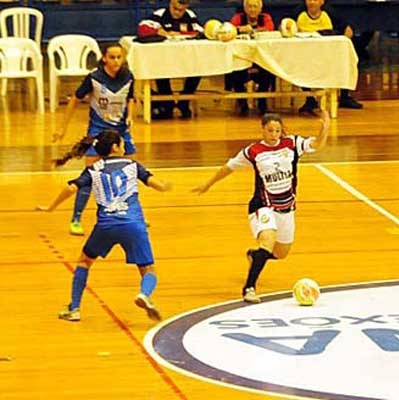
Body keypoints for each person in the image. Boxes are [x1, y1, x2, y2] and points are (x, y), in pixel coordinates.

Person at [192, 110, 330, 303]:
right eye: (270, 130)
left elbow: (316, 144)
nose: (274, 135)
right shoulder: (253, 151)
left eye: (277, 131)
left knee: (281, 253)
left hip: (287, 207)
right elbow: (228, 167)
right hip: (263, 205)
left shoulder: (292, 144)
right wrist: (208, 184)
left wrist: (325, 127)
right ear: (263, 130)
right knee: (267, 242)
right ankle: (249, 288)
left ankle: (255, 256)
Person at [37, 130, 172, 322]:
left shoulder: (93, 169)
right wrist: (165, 186)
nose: (124, 145)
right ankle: (144, 294)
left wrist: (51, 207)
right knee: (148, 269)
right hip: (133, 224)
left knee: (84, 261)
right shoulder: (132, 165)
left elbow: (71, 187)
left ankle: (74, 308)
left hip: (106, 225)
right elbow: (153, 183)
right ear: (115, 147)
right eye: (122, 143)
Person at [53, 42, 136, 236]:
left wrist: (131, 115)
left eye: (119, 57)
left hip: (121, 131)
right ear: (104, 58)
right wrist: (62, 128)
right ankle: (76, 219)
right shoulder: (94, 78)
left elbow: (131, 98)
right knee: (89, 176)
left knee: (128, 174)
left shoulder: (128, 77)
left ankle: (130, 212)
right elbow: (75, 99)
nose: (116, 61)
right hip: (98, 130)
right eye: (112, 57)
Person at [293, 0, 364, 113]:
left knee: (346, 58)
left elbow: (345, 24)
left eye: (315, 0)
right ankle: (310, 98)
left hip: (328, 55)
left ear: (322, 2)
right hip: (306, 55)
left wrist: (348, 29)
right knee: (297, 63)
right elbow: (287, 23)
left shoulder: (330, 12)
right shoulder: (298, 12)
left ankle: (344, 96)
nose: (312, 3)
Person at [137, 0, 204, 119]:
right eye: (175, 9)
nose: (177, 13)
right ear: (170, 4)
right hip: (164, 57)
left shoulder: (190, 15)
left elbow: (200, 32)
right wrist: (159, 31)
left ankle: (184, 101)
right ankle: (167, 103)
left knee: (198, 67)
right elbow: (143, 28)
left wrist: (182, 34)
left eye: (181, 10)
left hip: (186, 56)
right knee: (159, 67)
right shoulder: (160, 14)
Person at [226, 0, 276, 116]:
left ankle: (262, 102)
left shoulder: (266, 17)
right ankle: (242, 103)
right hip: (243, 58)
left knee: (268, 69)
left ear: (260, 9)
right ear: (245, 8)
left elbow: (270, 28)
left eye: (255, 7)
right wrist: (239, 29)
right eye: (250, 7)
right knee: (236, 71)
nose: (252, 9)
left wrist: (252, 30)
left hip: (260, 58)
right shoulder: (238, 18)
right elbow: (230, 30)